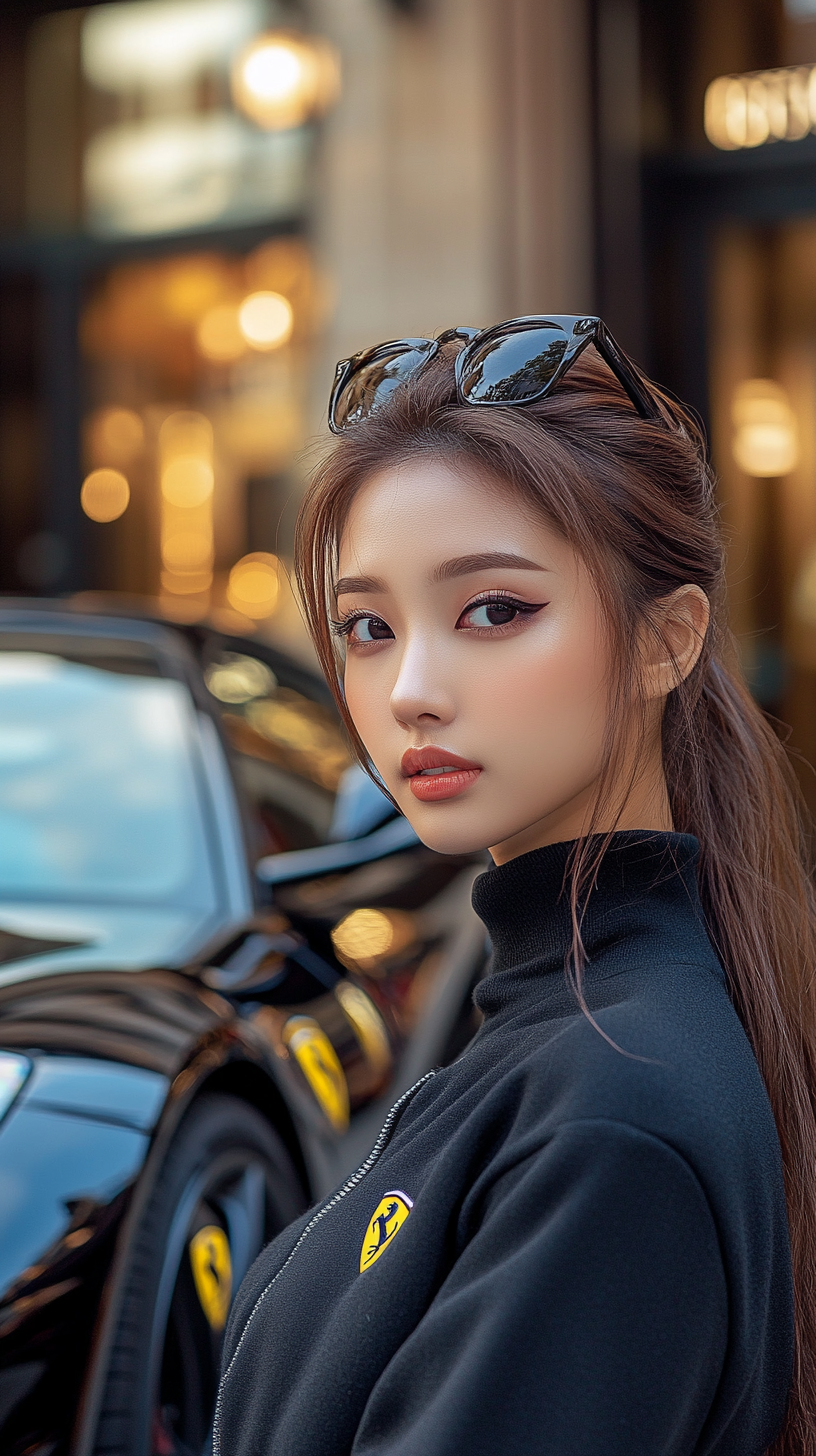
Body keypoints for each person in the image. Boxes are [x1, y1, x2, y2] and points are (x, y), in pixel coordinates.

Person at [214, 317, 816, 1456]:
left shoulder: (614, 1113)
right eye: (368, 627)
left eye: (494, 609)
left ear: (665, 640)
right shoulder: (563, 1030)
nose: (412, 691)